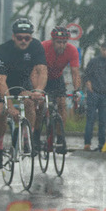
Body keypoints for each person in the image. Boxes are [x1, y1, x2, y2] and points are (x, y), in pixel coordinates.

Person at [0, 18, 47, 170]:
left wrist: (38, 90)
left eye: (27, 38)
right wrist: (9, 107)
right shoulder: (3, 50)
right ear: (13, 37)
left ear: (31, 38)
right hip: (3, 82)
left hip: (22, 81)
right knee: (0, 111)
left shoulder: (36, 47)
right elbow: (1, 81)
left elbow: (42, 70)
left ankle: (27, 138)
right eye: (20, 37)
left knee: (30, 102)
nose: (23, 41)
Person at [40, 26, 81, 154]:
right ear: (52, 41)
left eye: (64, 42)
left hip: (57, 78)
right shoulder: (43, 47)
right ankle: (36, 135)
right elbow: (35, 69)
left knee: (62, 104)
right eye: (58, 42)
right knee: (40, 104)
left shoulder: (72, 50)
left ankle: (60, 137)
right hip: (42, 77)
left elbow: (75, 72)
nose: (62, 45)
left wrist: (77, 90)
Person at [83, 41, 106, 151]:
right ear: (100, 49)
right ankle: (87, 144)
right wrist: (88, 85)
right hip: (94, 93)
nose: (105, 52)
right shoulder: (93, 61)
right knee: (90, 119)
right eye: (103, 49)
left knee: (103, 121)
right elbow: (86, 75)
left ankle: (102, 144)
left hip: (105, 95)